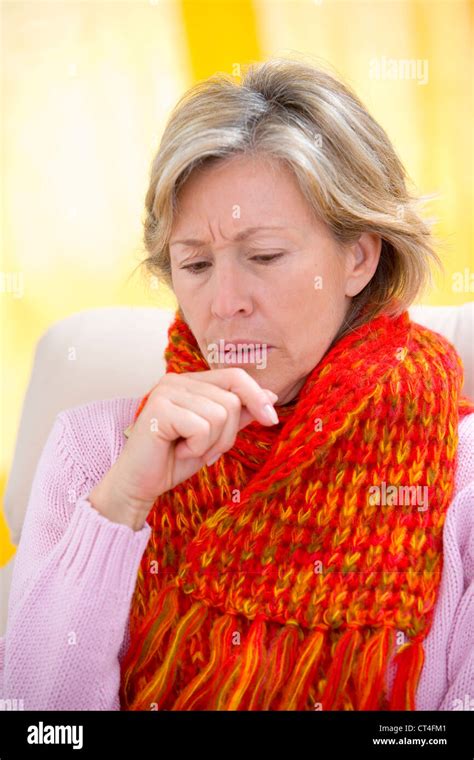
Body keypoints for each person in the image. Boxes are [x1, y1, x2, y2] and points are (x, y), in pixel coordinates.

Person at [1, 56, 473, 711]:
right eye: (194, 263)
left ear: (359, 258)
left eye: (265, 256)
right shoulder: (94, 453)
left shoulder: (463, 477)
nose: (224, 302)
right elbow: (37, 724)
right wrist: (119, 507)